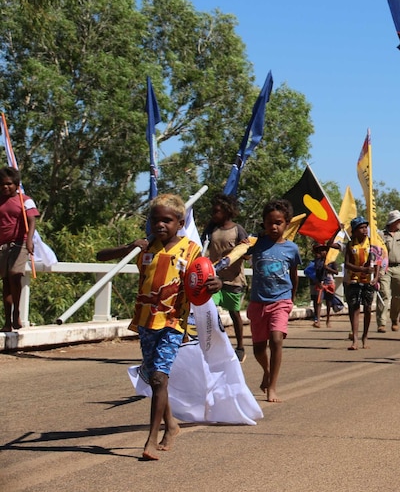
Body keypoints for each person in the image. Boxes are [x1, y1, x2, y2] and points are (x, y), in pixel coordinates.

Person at [96, 193, 221, 460]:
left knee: (159, 377)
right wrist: (130, 246)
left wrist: (215, 284)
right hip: (145, 321)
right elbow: (101, 255)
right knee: (154, 378)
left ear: (180, 222)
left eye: (167, 220)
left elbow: (204, 279)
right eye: (155, 220)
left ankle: (152, 438)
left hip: (173, 322)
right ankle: (172, 425)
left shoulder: (190, 250)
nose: (161, 225)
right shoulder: (145, 247)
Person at [244, 199, 301, 403]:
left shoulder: (291, 249)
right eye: (270, 223)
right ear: (264, 223)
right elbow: (237, 255)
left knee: (276, 339)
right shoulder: (257, 244)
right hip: (258, 302)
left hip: (281, 300)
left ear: (287, 223)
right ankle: (266, 372)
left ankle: (273, 387)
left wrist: (291, 297)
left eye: (278, 222)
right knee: (259, 349)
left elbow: (294, 274)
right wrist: (244, 245)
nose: (274, 227)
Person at [204, 193, 249, 362]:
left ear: (227, 211)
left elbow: (246, 252)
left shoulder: (237, 230)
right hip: (214, 279)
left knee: (234, 313)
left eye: (217, 211)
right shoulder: (212, 230)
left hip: (234, 280)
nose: (214, 215)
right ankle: (216, 345)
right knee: (210, 310)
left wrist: (236, 253)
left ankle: (240, 347)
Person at [0, 167, 38, 332]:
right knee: (6, 282)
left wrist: (29, 240)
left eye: (9, 184)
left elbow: (31, 221)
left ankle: (17, 312)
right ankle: (8, 321)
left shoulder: (25, 200)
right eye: (2, 185)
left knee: (16, 274)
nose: (5, 187)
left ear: (16, 184)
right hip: (2, 245)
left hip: (20, 243)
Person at [344, 216, 379, 350]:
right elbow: (347, 264)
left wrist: (375, 278)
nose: (365, 230)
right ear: (355, 230)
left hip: (368, 281)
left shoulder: (372, 244)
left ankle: (365, 336)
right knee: (355, 308)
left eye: (366, 227)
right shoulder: (350, 244)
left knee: (368, 308)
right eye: (361, 228)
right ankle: (355, 339)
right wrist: (361, 269)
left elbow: (376, 263)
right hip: (354, 280)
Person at [308, 242, 342, 328]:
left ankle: (328, 319)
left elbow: (336, 272)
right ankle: (318, 320)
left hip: (329, 283)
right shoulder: (317, 261)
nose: (322, 252)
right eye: (320, 251)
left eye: (324, 250)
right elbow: (315, 271)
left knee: (329, 302)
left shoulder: (331, 261)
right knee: (319, 301)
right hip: (320, 283)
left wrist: (328, 268)